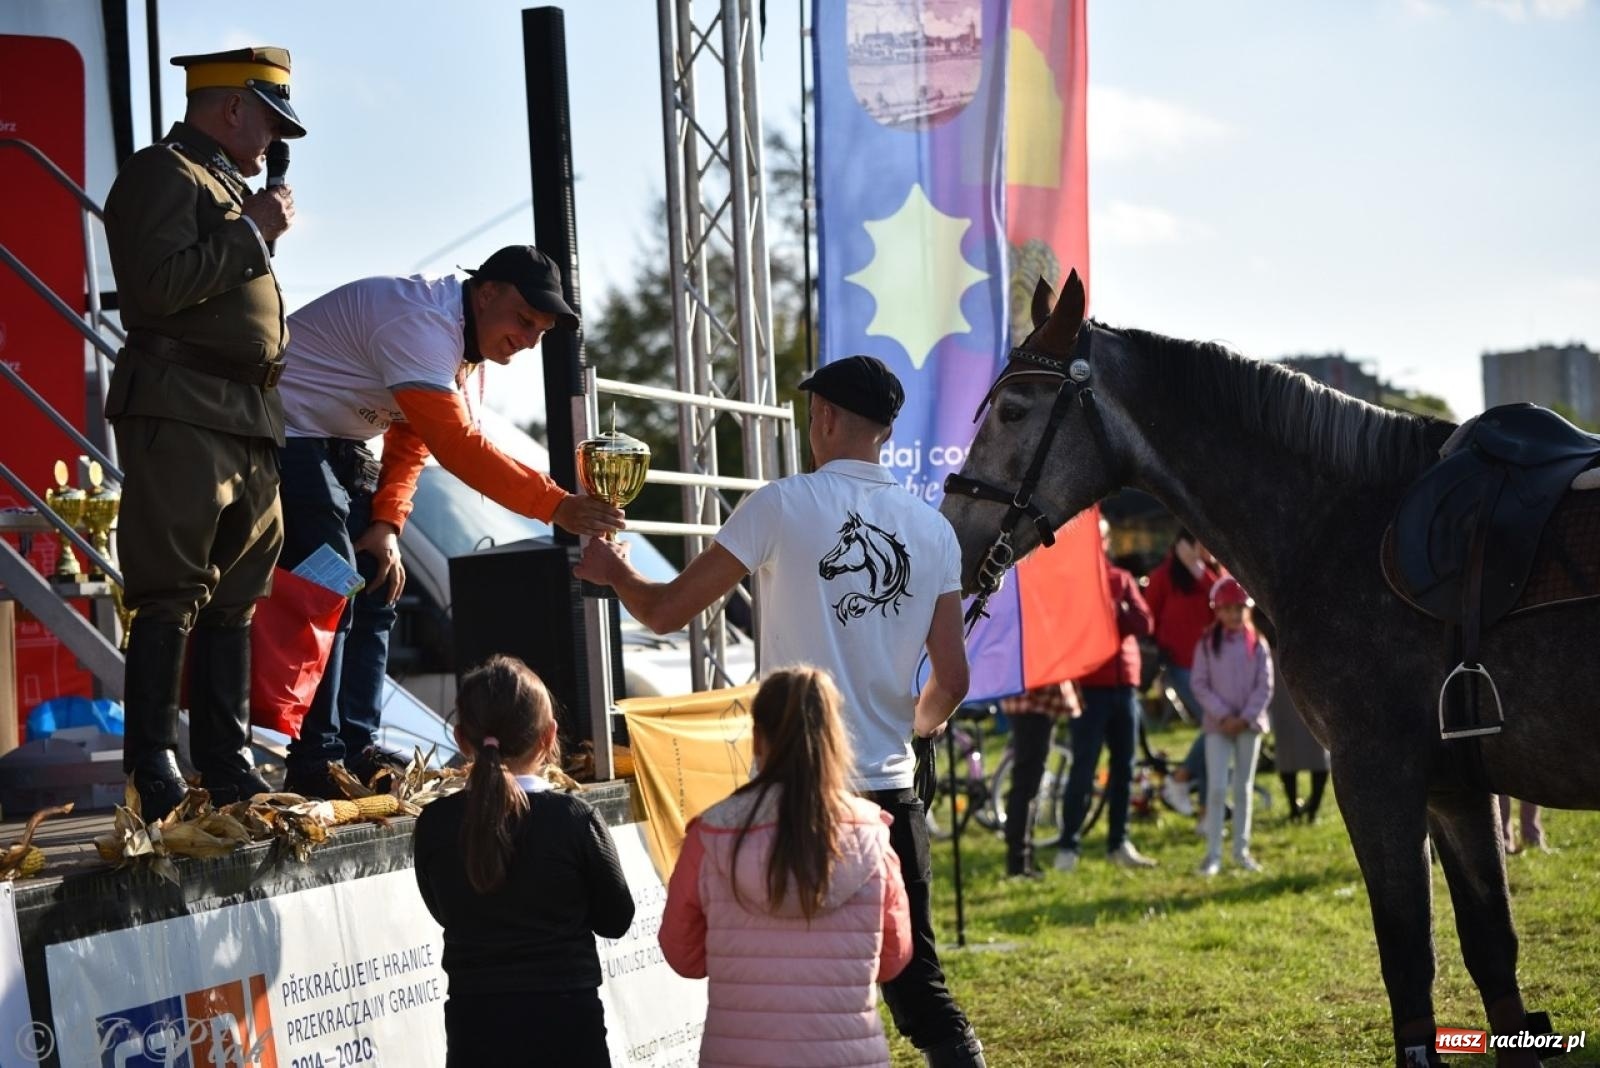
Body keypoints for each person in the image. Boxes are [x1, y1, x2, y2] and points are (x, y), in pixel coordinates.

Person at [576, 355, 986, 1067]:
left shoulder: (781, 503)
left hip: (784, 796)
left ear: (823, 418)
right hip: (888, 794)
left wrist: (616, 571)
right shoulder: (934, 530)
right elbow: (951, 679)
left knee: (774, 989)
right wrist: (912, 729)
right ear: (887, 432)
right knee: (922, 993)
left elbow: (667, 612)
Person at [273, 246, 625, 798]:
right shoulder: (424, 323)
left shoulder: (461, 341)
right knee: (334, 584)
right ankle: (317, 759)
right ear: (485, 293)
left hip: (333, 442)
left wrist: (387, 522)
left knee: (377, 582)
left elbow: (412, 435)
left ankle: (356, 750)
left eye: (540, 331)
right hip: (280, 435)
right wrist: (558, 505)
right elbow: (455, 445)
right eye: (523, 320)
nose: (529, 340)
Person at [102, 46, 304, 820]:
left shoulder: (222, 187)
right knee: (171, 585)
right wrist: (251, 233)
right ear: (232, 108)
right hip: (182, 403)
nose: (274, 140)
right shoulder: (163, 173)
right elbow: (152, 292)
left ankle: (226, 761)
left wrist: (249, 227)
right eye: (271, 121)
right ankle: (153, 765)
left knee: (237, 593)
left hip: (244, 413)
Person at [658, 667, 913, 1067]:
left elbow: (682, 956)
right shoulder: (873, 837)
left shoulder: (710, 835)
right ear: (835, 738)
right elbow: (893, 958)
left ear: (758, 738)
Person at [412, 655, 634, 1067]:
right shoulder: (574, 819)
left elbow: (443, 911)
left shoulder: (435, 824)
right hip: (568, 1026)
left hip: (475, 1027)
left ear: (461, 739)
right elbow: (616, 919)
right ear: (549, 737)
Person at [1056, 518, 1157, 873]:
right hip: (1091, 686)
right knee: (1083, 767)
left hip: (1124, 685)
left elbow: (1145, 623)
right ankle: (1068, 844)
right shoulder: (1074, 583)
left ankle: (1118, 841)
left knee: (1124, 768)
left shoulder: (1121, 579)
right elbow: (1067, 630)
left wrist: (1116, 613)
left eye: (1101, 539)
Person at [1191, 577, 1274, 875]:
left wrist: (1245, 717)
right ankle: (1213, 854)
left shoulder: (1258, 644)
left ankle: (1241, 850)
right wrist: (1224, 716)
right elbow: (1199, 684)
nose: (1234, 615)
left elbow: (1265, 684)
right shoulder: (1207, 644)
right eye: (1227, 609)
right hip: (1219, 728)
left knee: (1243, 788)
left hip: (1249, 726)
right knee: (1216, 789)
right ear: (1217, 611)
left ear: (1247, 609)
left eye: (1239, 609)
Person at [1145, 530, 1226, 818]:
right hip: (1180, 665)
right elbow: (1149, 616)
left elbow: (1225, 605)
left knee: (1214, 732)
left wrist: (1198, 569)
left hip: (1215, 666)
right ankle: (1181, 782)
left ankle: (1206, 807)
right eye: (1203, 542)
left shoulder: (1212, 573)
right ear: (1185, 545)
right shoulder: (1164, 576)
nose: (1210, 548)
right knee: (1215, 726)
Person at [997, 681, 1078, 879]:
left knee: (1027, 786)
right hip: (1033, 704)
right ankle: (1017, 863)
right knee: (1025, 787)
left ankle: (1023, 859)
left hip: (1034, 704)